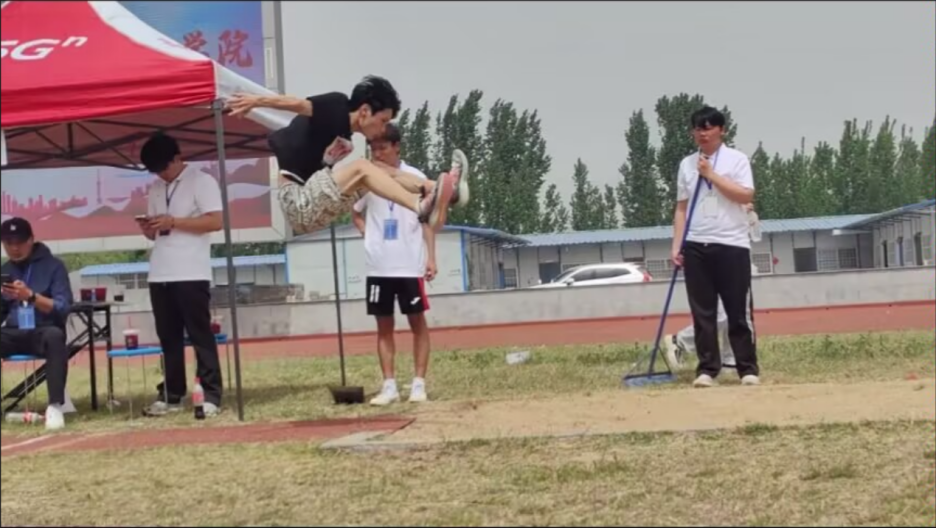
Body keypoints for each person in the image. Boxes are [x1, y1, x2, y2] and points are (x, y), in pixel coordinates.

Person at [225, 75, 470, 236]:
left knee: (379, 170)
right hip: (298, 201)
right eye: (383, 120)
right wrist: (257, 101)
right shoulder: (337, 106)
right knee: (363, 167)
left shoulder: (345, 138)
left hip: (313, 205)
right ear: (364, 111)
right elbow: (298, 104)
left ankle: (439, 190)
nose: (383, 129)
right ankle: (419, 206)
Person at [671, 106, 759, 388]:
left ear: (722, 130)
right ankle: (708, 369)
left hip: (731, 243)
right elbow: (681, 208)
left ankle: (747, 368)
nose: (702, 134)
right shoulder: (687, 164)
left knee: (737, 311)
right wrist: (677, 245)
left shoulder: (737, 159)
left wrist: (711, 175)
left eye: (708, 128)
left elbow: (744, 194)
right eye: (698, 128)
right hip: (697, 244)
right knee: (703, 313)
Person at [136, 133, 224, 417]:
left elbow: (215, 221)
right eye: (156, 171)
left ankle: (210, 394)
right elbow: (156, 234)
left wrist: (174, 221)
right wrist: (149, 229)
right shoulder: (155, 188)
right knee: (168, 337)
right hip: (160, 271)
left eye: (164, 168)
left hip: (191, 271)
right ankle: (172, 394)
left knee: (200, 335)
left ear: (177, 157)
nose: (161, 175)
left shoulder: (202, 181)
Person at [352, 124, 436, 406]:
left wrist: (431, 257)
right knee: (383, 327)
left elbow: (427, 221)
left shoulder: (416, 178)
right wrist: (367, 234)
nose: (378, 154)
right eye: (373, 149)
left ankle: (418, 384)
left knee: (417, 323)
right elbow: (355, 212)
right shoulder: (367, 178)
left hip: (409, 264)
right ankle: (389, 386)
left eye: (383, 148)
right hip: (379, 266)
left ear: (397, 147)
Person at [664, 205, 761, 373]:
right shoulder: (705, 200)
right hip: (709, 258)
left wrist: (745, 213)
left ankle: (730, 359)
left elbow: (754, 235)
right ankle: (681, 341)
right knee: (720, 314)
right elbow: (684, 216)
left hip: (737, 257)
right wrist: (680, 247)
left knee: (738, 312)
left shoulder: (741, 203)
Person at [0, 217, 73, 430]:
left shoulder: (54, 266)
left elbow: (63, 307)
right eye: (9, 243)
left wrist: (31, 296)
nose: (15, 248)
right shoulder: (5, 270)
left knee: (55, 337)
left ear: (31, 240)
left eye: (20, 242)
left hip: (43, 329)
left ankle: (55, 406)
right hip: (13, 331)